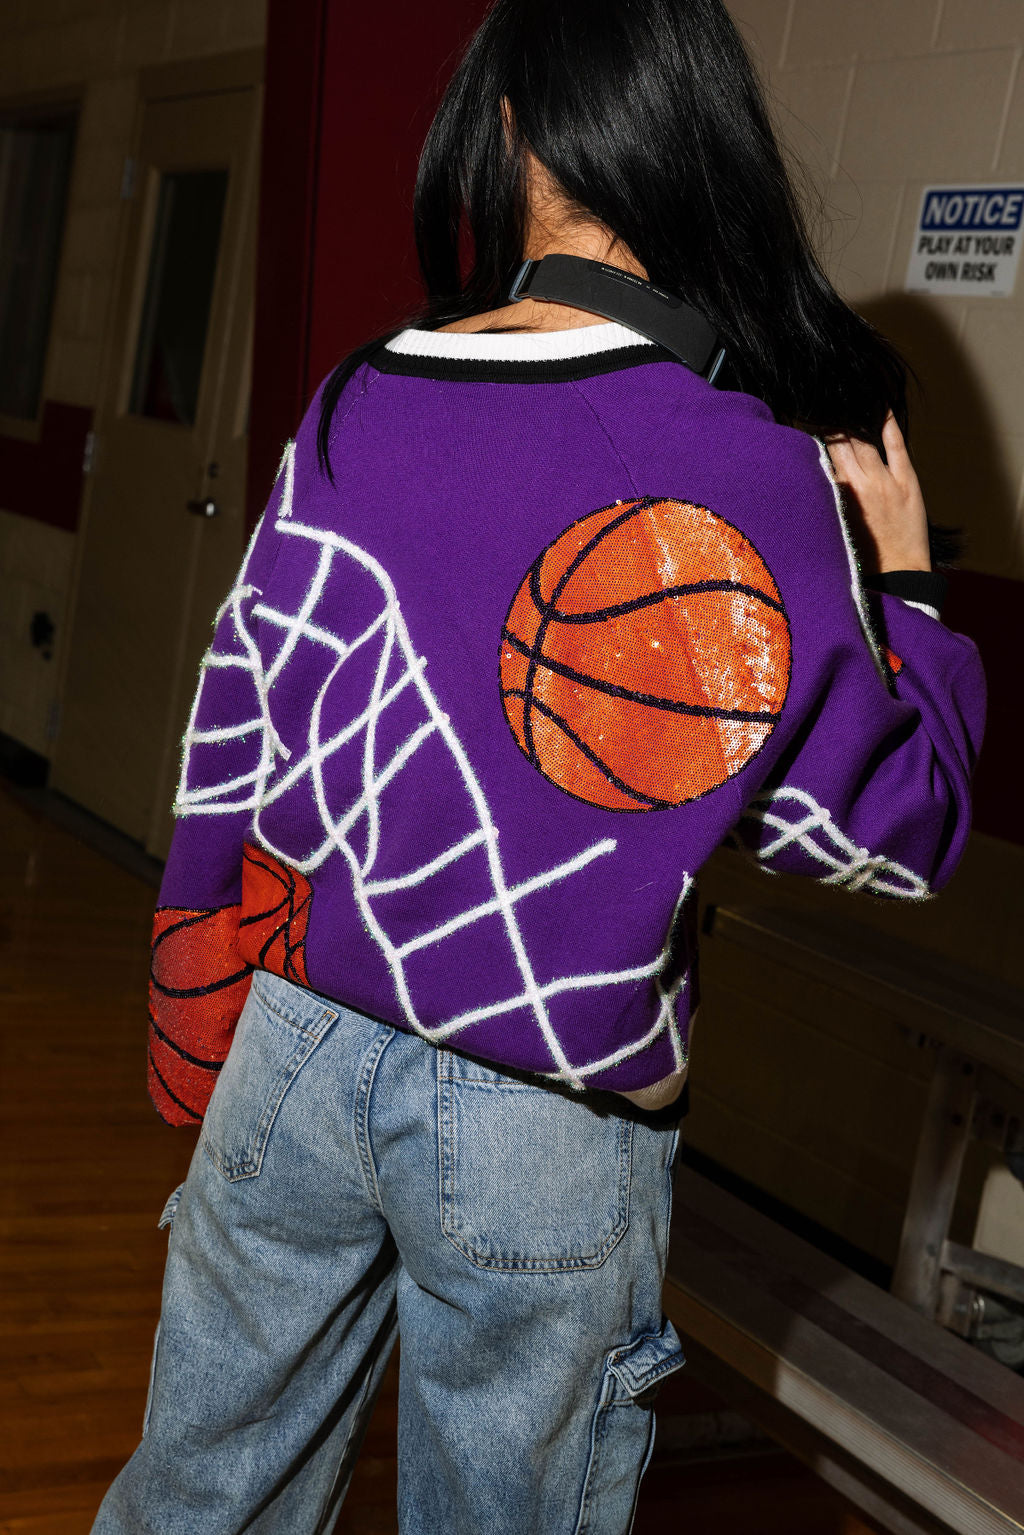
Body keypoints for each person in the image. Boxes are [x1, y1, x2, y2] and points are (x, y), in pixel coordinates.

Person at [92, 1, 986, 1531]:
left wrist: (193, 993)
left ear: (508, 132)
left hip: (295, 1041)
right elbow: (894, 834)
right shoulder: (751, 472)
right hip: (542, 1119)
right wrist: (906, 590)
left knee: (200, 1496)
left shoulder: (359, 399)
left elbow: (233, 718)